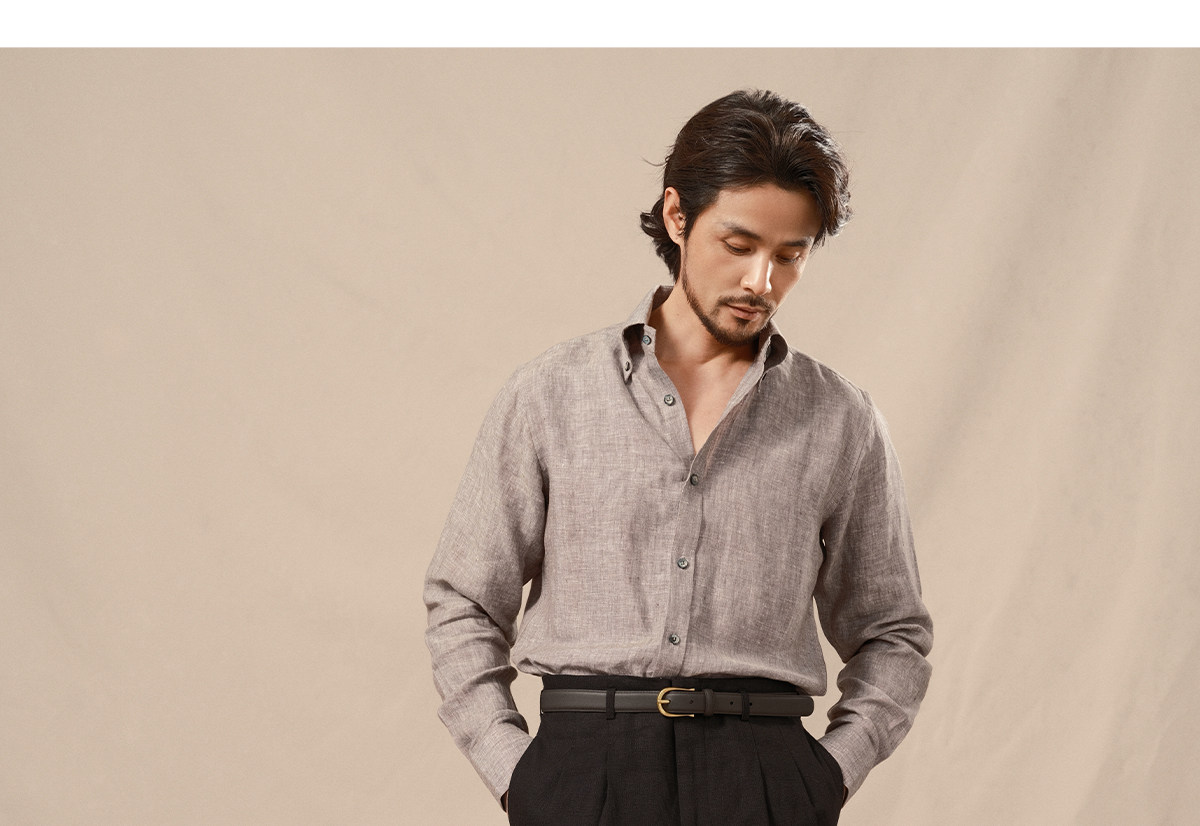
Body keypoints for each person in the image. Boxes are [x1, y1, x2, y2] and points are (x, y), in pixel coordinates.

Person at [424, 89, 933, 825]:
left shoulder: (840, 420)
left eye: (790, 256)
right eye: (739, 245)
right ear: (676, 216)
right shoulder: (550, 396)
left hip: (763, 778)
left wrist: (824, 778)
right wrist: (517, 776)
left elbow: (894, 633)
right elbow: (464, 601)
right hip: (584, 776)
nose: (761, 282)